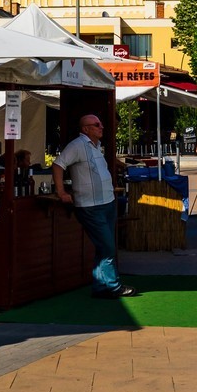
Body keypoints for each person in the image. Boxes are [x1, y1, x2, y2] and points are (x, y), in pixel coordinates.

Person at [53, 114, 137, 297]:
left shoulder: (96, 146)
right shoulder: (77, 145)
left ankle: (100, 287)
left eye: (101, 124)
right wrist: (61, 192)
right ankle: (113, 286)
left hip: (106, 202)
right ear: (86, 129)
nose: (102, 127)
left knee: (104, 246)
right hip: (90, 205)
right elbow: (58, 165)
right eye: (96, 125)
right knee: (107, 247)